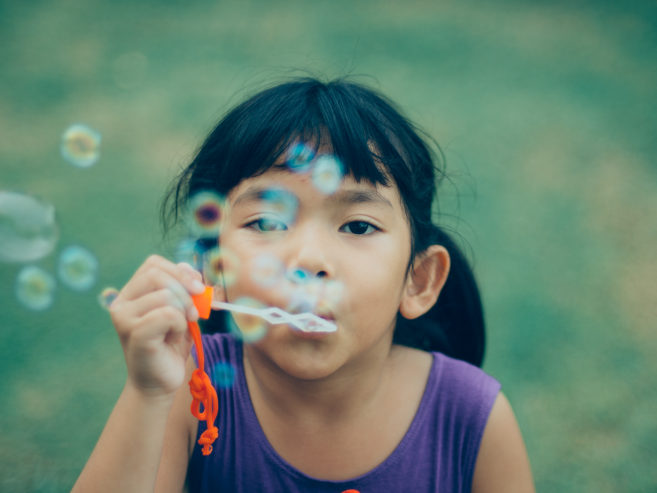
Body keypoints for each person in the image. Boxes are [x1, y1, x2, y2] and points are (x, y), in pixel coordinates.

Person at [71, 77, 535, 493]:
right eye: (268, 222)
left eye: (357, 226)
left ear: (418, 280)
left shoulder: (473, 417)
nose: (307, 260)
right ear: (213, 270)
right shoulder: (190, 391)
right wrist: (147, 393)